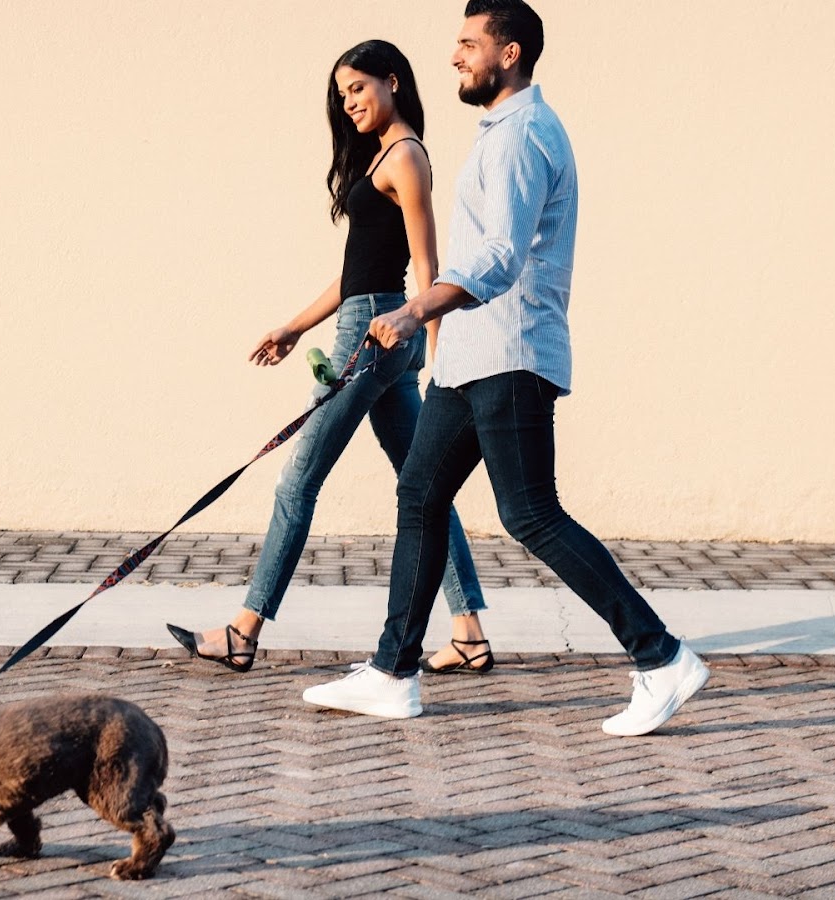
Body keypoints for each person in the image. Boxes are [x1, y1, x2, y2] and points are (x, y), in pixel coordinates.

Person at [302, 0, 708, 736]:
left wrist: (414, 309)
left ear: (509, 53)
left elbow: (498, 256)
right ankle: (394, 672)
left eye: (467, 44)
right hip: (472, 356)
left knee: (529, 513)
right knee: (420, 494)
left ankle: (661, 656)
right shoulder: (500, 132)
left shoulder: (522, 136)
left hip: (511, 352)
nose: (454, 56)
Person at [166, 40, 493, 676]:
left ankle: (244, 629)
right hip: (372, 328)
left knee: (298, 482)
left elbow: (425, 265)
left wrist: (434, 352)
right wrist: (292, 327)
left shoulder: (406, 158)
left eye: (359, 89)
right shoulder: (380, 158)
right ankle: (469, 631)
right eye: (342, 97)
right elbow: (355, 275)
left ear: (392, 82)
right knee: (422, 486)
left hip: (373, 337)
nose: (349, 104)